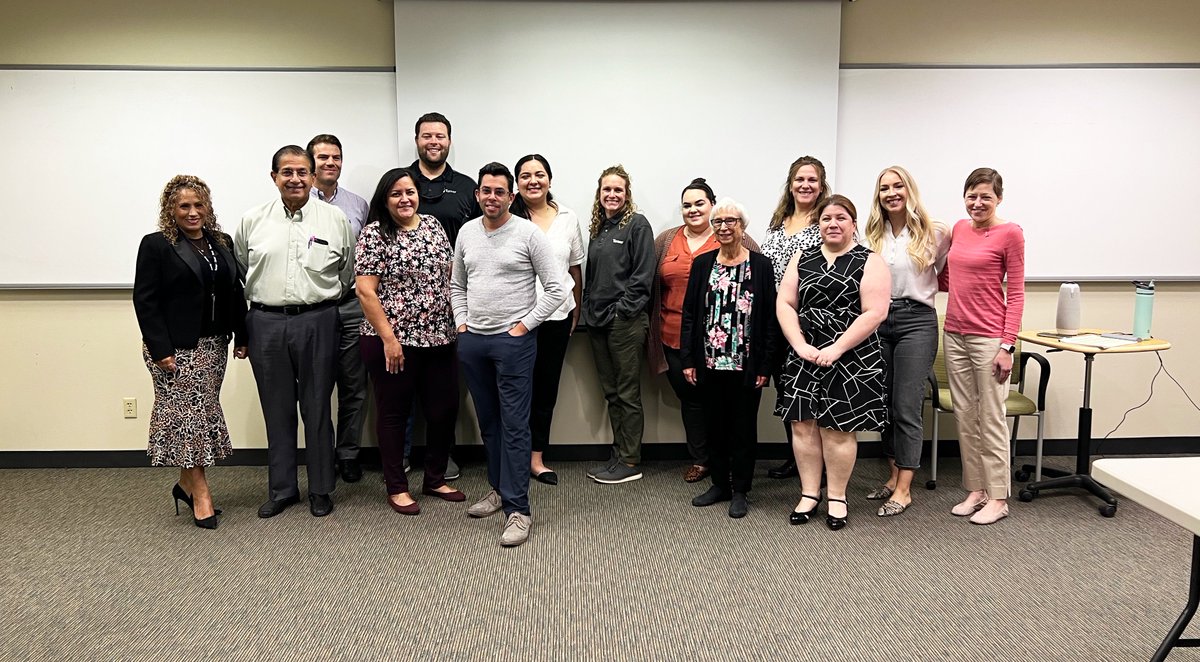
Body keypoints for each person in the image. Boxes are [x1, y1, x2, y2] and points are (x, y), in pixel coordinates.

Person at [234, 145, 354, 519]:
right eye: (287, 172)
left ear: (313, 176)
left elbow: (346, 271)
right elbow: (241, 266)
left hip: (318, 319)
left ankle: (320, 488)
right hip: (266, 322)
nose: (295, 179)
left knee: (317, 406)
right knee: (277, 408)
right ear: (274, 177)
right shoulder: (252, 220)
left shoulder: (335, 220)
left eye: (302, 172)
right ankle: (283, 489)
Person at [453, 162, 567, 547]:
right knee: (489, 423)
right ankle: (499, 489)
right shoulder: (467, 233)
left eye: (500, 192)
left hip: (513, 344)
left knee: (516, 425)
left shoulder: (529, 234)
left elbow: (556, 288)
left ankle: (518, 509)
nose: (492, 198)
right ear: (478, 194)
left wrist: (522, 327)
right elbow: (457, 284)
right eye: (486, 191)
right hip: (474, 342)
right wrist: (462, 323)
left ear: (511, 197)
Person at [133, 175, 247, 530]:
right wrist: (160, 349)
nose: (193, 212)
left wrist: (243, 334)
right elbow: (145, 300)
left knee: (197, 415)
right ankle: (200, 492)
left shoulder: (221, 242)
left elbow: (233, 291)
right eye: (185, 206)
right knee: (191, 417)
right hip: (174, 347)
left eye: (199, 205)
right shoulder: (156, 245)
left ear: (208, 207)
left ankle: (185, 483)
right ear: (171, 209)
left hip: (213, 345)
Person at [775, 194, 889, 531]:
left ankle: (837, 496)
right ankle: (810, 493)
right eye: (826, 218)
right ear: (818, 224)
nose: (833, 224)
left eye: (841, 218)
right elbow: (785, 302)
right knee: (803, 425)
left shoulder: (869, 260)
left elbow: (875, 312)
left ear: (853, 224)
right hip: (804, 353)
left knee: (838, 428)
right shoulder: (802, 257)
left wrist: (837, 348)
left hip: (852, 354)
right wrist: (797, 343)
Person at [356, 167, 464, 515]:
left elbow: (450, 277)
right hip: (392, 341)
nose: (405, 199)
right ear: (384, 200)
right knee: (394, 414)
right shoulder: (374, 234)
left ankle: (434, 479)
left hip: (440, 337)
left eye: (410, 192)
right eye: (396, 194)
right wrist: (389, 339)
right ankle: (397, 487)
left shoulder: (433, 226)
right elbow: (365, 291)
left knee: (444, 410)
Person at [648, 178, 760, 483]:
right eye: (687, 205)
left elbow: (758, 286)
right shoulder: (666, 240)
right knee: (692, 401)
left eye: (700, 203)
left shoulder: (736, 237)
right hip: (672, 338)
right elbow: (650, 287)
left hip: (721, 344)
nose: (693, 209)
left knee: (725, 404)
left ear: (712, 206)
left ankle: (727, 463)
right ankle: (702, 459)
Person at [680, 198, 779, 518]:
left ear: (743, 225)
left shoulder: (761, 266)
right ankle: (720, 484)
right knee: (714, 426)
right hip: (709, 362)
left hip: (746, 365)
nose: (723, 227)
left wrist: (765, 364)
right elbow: (691, 314)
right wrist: (689, 359)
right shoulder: (703, 263)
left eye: (730, 221)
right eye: (718, 222)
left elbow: (769, 320)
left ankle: (741, 490)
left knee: (743, 429)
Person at [862, 166, 949, 517]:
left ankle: (904, 489)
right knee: (882, 403)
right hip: (879, 320)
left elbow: (945, 274)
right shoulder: (871, 234)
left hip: (917, 320)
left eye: (898, 186)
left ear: (909, 190)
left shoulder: (936, 232)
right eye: (884, 188)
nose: (891, 193)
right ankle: (892, 475)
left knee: (906, 405)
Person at [943, 168, 1025, 525]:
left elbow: (1018, 293)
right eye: (972, 196)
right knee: (965, 416)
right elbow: (948, 275)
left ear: (999, 199)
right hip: (954, 333)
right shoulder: (959, 228)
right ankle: (976, 490)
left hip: (989, 338)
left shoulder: (1010, 233)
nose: (977, 203)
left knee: (991, 417)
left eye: (985, 197)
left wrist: (1007, 345)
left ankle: (999, 497)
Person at [409, 111, 479, 480]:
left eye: (440, 136)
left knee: (446, 383)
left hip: (457, 301)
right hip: (405, 304)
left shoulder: (468, 187)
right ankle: (404, 454)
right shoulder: (402, 184)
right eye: (426, 136)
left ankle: (445, 453)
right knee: (404, 380)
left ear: (449, 141)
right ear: (417, 140)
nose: (433, 141)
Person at [510, 154, 584, 486]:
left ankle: (536, 458)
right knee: (515, 390)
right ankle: (513, 456)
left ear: (550, 180)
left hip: (556, 317)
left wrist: (576, 310)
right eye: (525, 176)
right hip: (516, 320)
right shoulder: (507, 218)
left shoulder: (568, 218)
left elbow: (575, 270)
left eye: (539, 174)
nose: (533, 181)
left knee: (545, 390)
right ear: (517, 183)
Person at [582, 165, 656, 485]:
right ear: (599, 194)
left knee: (627, 393)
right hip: (596, 322)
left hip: (624, 323)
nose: (612, 195)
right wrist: (587, 309)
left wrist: (621, 311)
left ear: (627, 195)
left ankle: (630, 459)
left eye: (618, 190)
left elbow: (643, 277)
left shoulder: (636, 225)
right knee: (612, 393)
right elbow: (593, 276)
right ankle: (619, 450)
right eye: (606, 190)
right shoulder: (599, 228)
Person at [761, 156, 830, 480]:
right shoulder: (779, 221)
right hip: (774, 320)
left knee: (812, 393)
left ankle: (824, 465)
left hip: (809, 321)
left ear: (821, 185)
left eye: (811, 180)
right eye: (799, 180)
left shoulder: (827, 220)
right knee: (787, 391)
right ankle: (797, 458)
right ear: (790, 184)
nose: (805, 185)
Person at [307, 134, 370, 484]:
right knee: (317, 387)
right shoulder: (298, 203)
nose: (330, 163)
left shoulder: (358, 205)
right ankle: (321, 456)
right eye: (323, 157)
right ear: (311, 161)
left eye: (336, 157)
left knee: (353, 386)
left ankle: (348, 454)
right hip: (314, 308)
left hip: (351, 305)